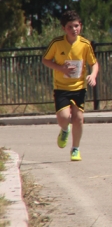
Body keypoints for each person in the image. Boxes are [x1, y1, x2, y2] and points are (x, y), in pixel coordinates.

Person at [41, 10, 99, 161]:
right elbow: (45, 60)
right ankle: (65, 129)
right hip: (61, 87)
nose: (74, 30)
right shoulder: (57, 43)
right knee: (64, 117)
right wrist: (61, 69)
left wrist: (92, 75)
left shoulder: (85, 44)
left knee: (79, 118)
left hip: (79, 87)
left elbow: (94, 63)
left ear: (80, 26)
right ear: (64, 29)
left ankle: (75, 149)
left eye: (76, 26)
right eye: (70, 27)